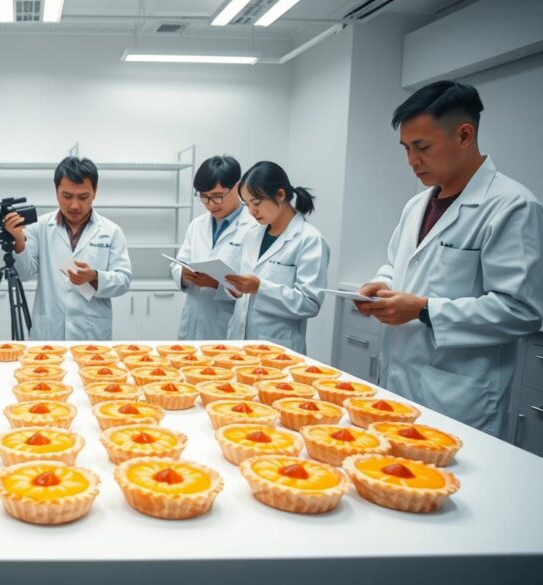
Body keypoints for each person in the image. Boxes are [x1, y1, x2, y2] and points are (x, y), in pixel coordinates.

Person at [354, 80, 543, 436]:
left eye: (422, 147)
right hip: (399, 383)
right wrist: (383, 285)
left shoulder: (511, 206)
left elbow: (523, 310)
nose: (412, 161)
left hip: (459, 397)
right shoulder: (417, 204)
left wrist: (424, 309)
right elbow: (398, 265)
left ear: (464, 135)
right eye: (406, 148)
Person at [4, 156, 132, 340]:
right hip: (49, 333)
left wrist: (95, 277)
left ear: (94, 192)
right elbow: (24, 275)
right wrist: (19, 241)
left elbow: (124, 280)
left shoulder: (111, 231)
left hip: (91, 334)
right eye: (67, 196)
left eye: (83, 197)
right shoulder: (40, 227)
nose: (74, 205)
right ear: (56, 192)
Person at [224, 161, 329, 353]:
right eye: (247, 204)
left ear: (280, 195)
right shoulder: (252, 235)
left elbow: (309, 304)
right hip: (239, 344)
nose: (251, 211)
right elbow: (245, 287)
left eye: (256, 203)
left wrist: (260, 288)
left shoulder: (309, 240)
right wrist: (235, 288)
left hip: (278, 349)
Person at [172, 155, 256, 340]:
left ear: (237, 186)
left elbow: (255, 286)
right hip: (192, 322)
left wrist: (218, 285)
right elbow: (179, 262)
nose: (210, 204)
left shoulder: (254, 227)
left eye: (217, 196)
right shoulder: (197, 225)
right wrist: (183, 274)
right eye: (203, 197)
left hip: (226, 325)